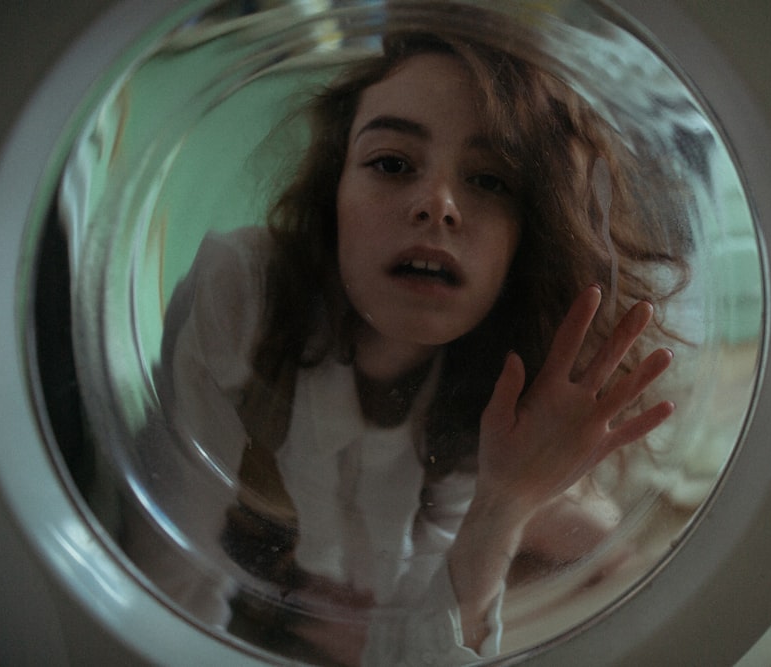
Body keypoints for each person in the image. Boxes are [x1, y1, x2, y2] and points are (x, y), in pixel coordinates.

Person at [150, 23, 690, 667]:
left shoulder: (510, 380)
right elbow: (167, 569)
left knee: (583, 530)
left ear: (526, 239)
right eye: (391, 163)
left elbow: (414, 654)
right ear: (335, 193)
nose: (437, 204)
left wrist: (507, 503)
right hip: (266, 550)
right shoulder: (243, 286)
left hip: (417, 521)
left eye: (489, 181)